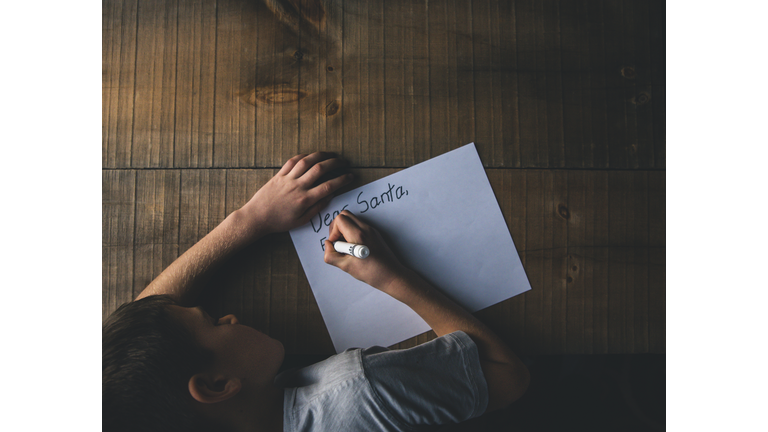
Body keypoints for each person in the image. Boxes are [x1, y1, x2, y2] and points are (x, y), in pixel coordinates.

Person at [103, 152, 530, 432]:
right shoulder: (359, 395)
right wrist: (389, 277)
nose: (227, 316)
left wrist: (251, 219)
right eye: (215, 324)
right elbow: (507, 377)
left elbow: (148, 321)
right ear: (217, 385)